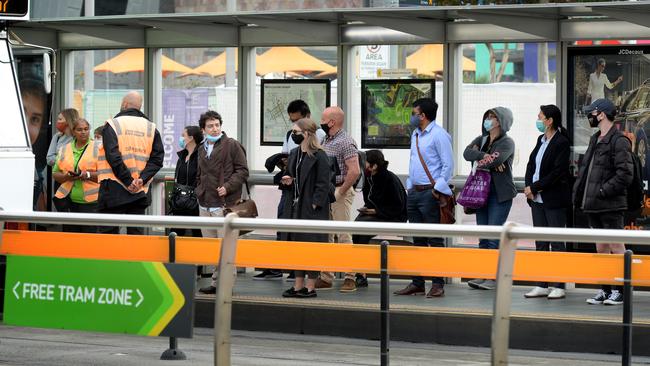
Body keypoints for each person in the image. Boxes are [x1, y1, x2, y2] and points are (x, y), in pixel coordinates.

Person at [254, 99, 325, 281]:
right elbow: (287, 158)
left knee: (305, 235)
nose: (294, 127)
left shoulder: (319, 136)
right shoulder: (290, 136)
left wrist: (315, 203)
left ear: (306, 118)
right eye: (292, 122)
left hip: (307, 195)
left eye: (297, 122)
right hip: (290, 189)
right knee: (283, 224)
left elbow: (321, 176)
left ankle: (301, 272)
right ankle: (281, 265)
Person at [573, 98, 633, 306]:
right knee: (601, 248)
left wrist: (602, 191)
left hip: (610, 203)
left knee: (617, 246)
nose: (590, 116)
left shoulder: (619, 140)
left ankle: (622, 291)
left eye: (593, 112)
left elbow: (625, 174)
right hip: (594, 204)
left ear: (602, 114)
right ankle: (606, 289)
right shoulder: (596, 138)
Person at [394, 98, 453, 298]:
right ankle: (417, 282)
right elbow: (413, 162)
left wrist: (437, 188)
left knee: (435, 240)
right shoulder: (416, 134)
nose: (411, 116)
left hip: (430, 192)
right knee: (417, 241)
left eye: (414, 113)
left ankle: (438, 284)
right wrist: (410, 186)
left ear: (423, 115)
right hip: (415, 192)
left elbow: (448, 165)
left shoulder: (439, 135)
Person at [196, 110, 249, 295]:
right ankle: (216, 282)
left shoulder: (231, 145)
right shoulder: (201, 148)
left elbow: (243, 171)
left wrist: (228, 186)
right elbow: (200, 173)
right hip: (205, 203)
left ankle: (226, 285)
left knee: (227, 249)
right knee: (212, 249)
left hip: (224, 205)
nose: (214, 128)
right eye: (210, 126)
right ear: (203, 129)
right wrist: (199, 189)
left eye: (217, 124)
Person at [463, 107, 516, 291]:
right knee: (483, 238)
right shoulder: (481, 139)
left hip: (499, 195)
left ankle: (494, 278)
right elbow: (466, 153)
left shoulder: (507, 142)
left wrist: (485, 159)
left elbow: (495, 160)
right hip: (481, 194)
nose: (488, 120)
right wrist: (483, 156)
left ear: (501, 121)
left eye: (492, 117)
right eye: (487, 116)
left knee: (494, 237)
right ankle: (484, 274)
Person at [96, 91, 164, 234]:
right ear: (140, 107)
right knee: (136, 234)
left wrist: (128, 181)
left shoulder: (113, 125)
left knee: (108, 234)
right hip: (140, 191)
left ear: (124, 105)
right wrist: (140, 180)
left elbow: (113, 156)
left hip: (114, 188)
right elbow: (157, 160)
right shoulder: (151, 128)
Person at [280, 118, 333, 298]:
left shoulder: (319, 155)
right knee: (296, 246)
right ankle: (297, 285)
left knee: (311, 247)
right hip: (295, 205)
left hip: (312, 209)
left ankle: (310, 287)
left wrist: (314, 203)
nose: (293, 135)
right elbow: (293, 175)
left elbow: (323, 183)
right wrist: (289, 180)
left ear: (307, 134)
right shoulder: (295, 153)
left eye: (296, 132)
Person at [523, 105, 571, 300]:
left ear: (550, 120)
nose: (538, 120)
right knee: (541, 243)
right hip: (537, 201)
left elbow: (557, 173)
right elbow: (531, 165)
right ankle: (542, 284)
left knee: (557, 243)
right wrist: (528, 187)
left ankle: (559, 285)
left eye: (540, 116)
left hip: (553, 199)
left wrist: (535, 187)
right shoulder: (540, 140)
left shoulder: (561, 142)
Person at [318, 106, 361, 293]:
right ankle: (326, 276)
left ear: (332, 122)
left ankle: (350, 276)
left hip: (339, 191)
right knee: (327, 235)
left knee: (344, 235)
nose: (321, 122)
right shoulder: (325, 139)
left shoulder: (346, 142)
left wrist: (340, 191)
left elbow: (355, 171)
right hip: (327, 191)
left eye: (323, 119)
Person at [52, 118, 99, 233]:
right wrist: (66, 177)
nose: (83, 132)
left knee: (89, 239)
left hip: (91, 203)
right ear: (73, 132)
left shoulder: (98, 148)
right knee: (71, 238)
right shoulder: (64, 149)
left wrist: (87, 174)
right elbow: (55, 173)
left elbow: (106, 174)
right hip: (69, 202)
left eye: (86, 129)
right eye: (79, 129)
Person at [168, 125, 203, 238]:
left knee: (197, 233)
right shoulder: (182, 156)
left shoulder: (200, 156)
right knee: (176, 232)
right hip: (179, 202)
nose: (181, 138)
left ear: (191, 138)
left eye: (183, 135)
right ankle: (175, 255)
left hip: (194, 203)